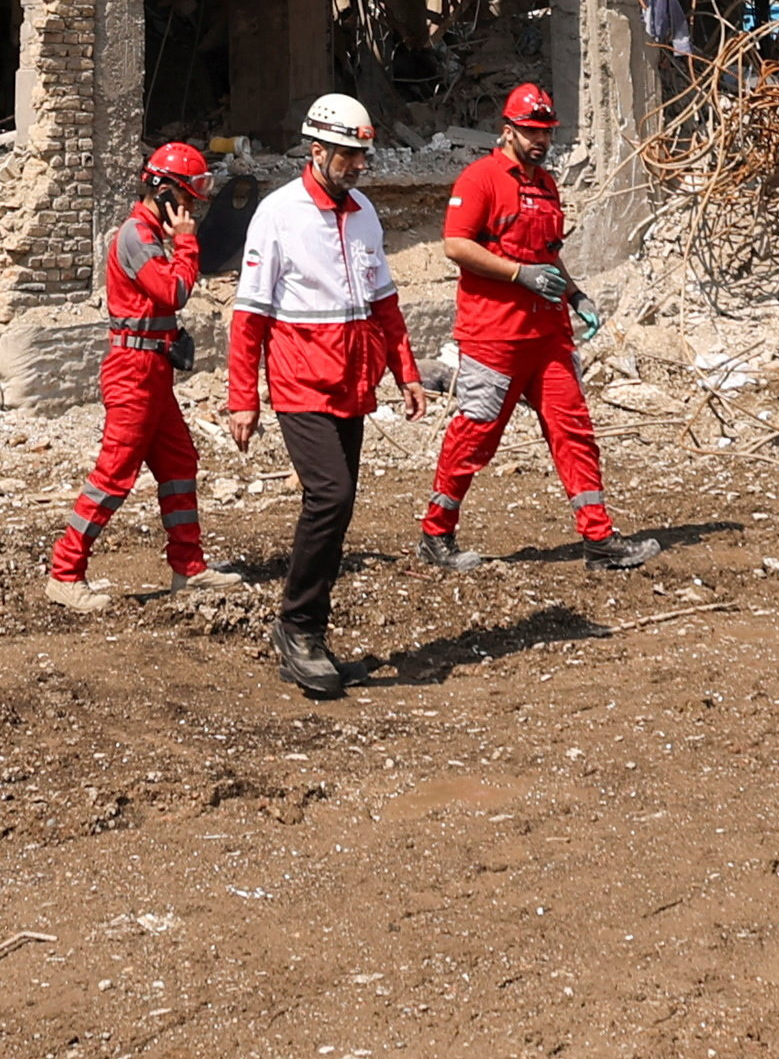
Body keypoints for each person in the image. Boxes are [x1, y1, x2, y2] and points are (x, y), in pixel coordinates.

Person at [220, 92, 423, 698]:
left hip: (353, 383)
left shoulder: (363, 213)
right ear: (318, 151)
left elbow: (383, 302)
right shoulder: (278, 215)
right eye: (349, 156)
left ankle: (310, 628)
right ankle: (297, 627)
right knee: (329, 497)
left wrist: (406, 372)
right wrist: (243, 399)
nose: (360, 166)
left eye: (363, 155)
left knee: (339, 506)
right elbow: (250, 315)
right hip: (300, 382)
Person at [417, 84, 643, 572]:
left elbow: (548, 255)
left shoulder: (545, 184)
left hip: (547, 337)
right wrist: (519, 274)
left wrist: (574, 294)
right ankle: (436, 533)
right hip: (493, 337)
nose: (540, 140)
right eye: (532, 131)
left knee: (574, 431)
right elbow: (456, 245)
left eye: (546, 132)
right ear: (509, 130)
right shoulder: (480, 180)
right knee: (475, 435)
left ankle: (599, 540)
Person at [47, 141, 216, 602]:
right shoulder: (136, 236)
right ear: (161, 191)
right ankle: (65, 573)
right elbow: (174, 290)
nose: (187, 213)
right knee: (114, 473)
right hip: (134, 371)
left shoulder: (148, 235)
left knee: (179, 462)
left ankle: (189, 566)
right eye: (183, 202)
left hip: (152, 369)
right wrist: (186, 242)